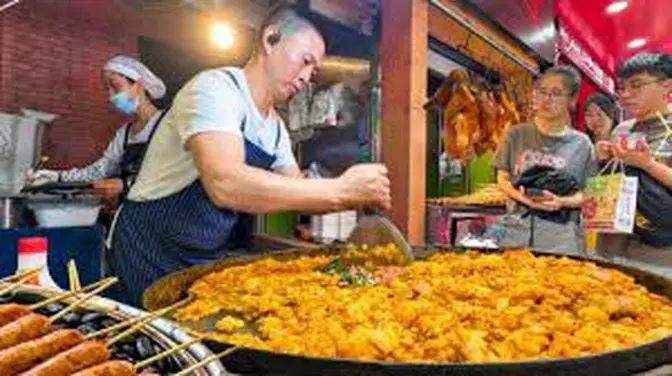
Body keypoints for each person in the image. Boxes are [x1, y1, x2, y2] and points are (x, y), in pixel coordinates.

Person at [108, 8, 391, 307]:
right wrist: (342, 190)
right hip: (148, 249)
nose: (307, 77)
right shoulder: (215, 89)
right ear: (270, 39)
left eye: (314, 70)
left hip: (202, 255)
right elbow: (225, 182)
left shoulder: (276, 130)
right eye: (305, 61)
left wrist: (358, 198)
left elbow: (299, 192)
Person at [28, 56, 168, 209]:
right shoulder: (125, 133)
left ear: (139, 85)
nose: (111, 96)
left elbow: (176, 174)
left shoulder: (168, 124)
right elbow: (100, 170)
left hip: (166, 213)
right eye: (107, 89)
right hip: (131, 213)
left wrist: (125, 185)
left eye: (115, 87)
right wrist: (57, 177)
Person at [492, 66, 598, 255]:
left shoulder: (582, 144)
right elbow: (502, 179)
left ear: (571, 101)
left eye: (556, 93)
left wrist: (561, 201)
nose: (546, 99)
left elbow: (588, 194)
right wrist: (524, 199)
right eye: (542, 91)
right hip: (516, 235)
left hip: (562, 241)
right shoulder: (516, 134)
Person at [596, 52, 672, 278]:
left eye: (636, 85)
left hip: (660, 255)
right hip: (612, 246)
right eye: (621, 88)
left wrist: (649, 165)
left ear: (667, 86)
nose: (626, 95)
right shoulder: (622, 130)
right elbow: (609, 183)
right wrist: (604, 160)